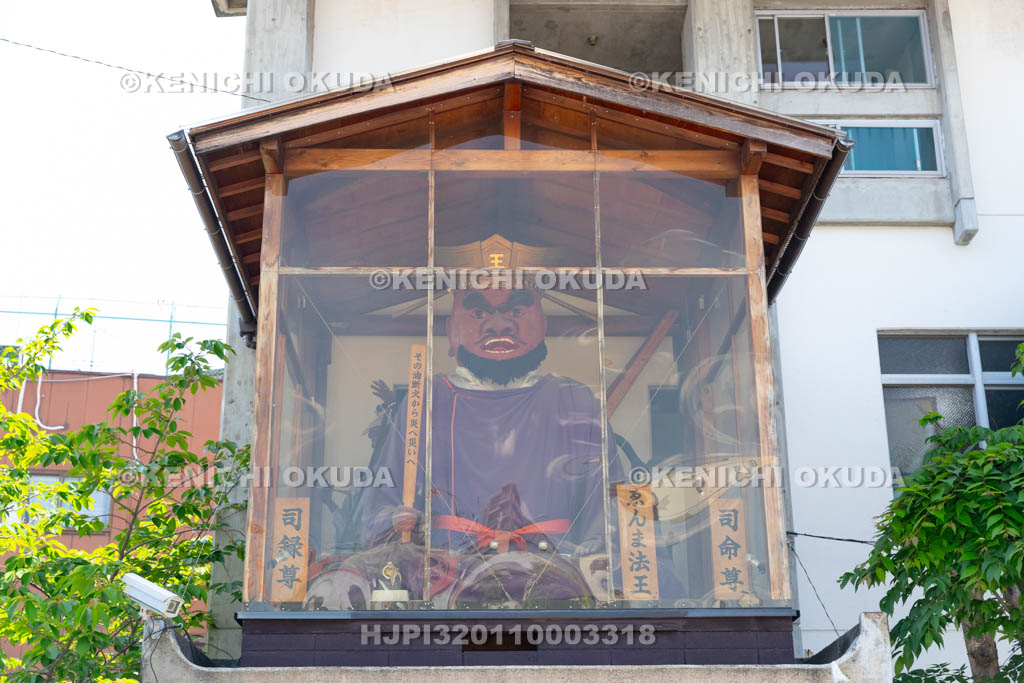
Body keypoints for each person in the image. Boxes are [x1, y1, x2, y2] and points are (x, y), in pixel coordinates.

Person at [306, 285, 622, 609]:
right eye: (479, 312)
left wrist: (589, 552)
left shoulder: (573, 399)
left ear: (544, 325)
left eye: (516, 311)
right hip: (447, 571)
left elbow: (609, 506)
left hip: (555, 571)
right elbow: (382, 505)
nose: (499, 325)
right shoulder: (426, 401)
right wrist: (398, 520)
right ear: (450, 331)